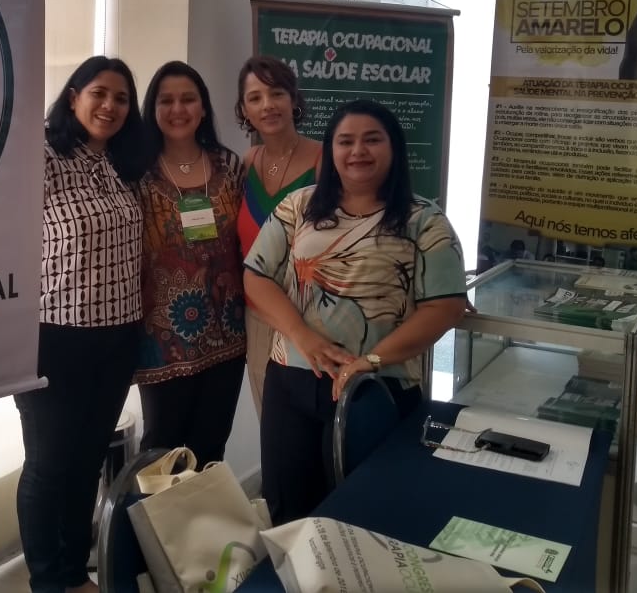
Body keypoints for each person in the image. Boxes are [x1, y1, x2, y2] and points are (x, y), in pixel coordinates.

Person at [243, 99, 467, 523]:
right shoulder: (299, 206)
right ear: (330, 151)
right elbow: (255, 276)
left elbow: (446, 305)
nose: (357, 151)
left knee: (369, 510)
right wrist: (303, 337)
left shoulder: (424, 220)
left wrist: (372, 360)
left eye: (371, 140)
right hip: (292, 378)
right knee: (288, 507)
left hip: (380, 386)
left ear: (394, 148)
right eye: (345, 141)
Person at [15, 56, 145, 593]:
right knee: (48, 466)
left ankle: (74, 574)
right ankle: (46, 581)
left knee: (89, 460)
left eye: (121, 97)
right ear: (73, 97)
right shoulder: (39, 156)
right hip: (53, 339)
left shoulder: (122, 163)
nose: (110, 106)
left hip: (117, 338)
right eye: (99, 93)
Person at [134, 61, 246, 466]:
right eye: (167, 100)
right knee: (161, 456)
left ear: (202, 109)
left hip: (228, 335)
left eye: (187, 99)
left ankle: (205, 531)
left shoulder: (229, 166)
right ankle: (154, 533)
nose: (177, 109)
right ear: (153, 109)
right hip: (161, 342)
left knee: (211, 449)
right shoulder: (136, 173)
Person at [235, 55, 322, 417]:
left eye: (276, 93)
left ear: (293, 99)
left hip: (314, 318)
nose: (267, 105)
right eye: (255, 98)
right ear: (244, 109)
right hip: (258, 317)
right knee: (272, 430)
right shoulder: (246, 163)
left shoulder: (327, 159)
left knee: (317, 432)